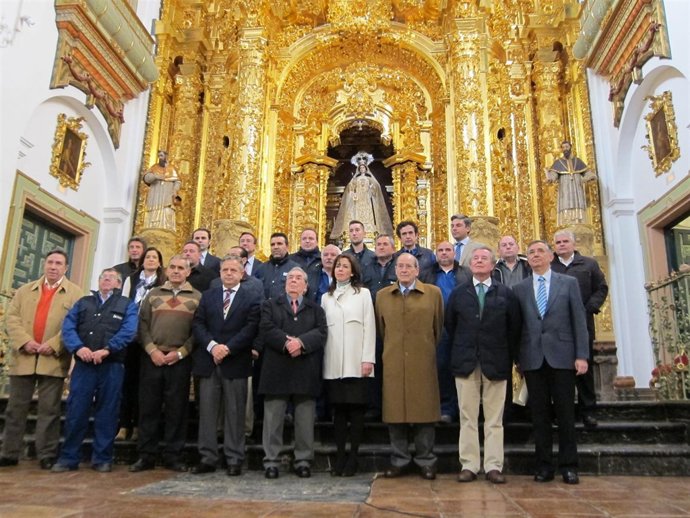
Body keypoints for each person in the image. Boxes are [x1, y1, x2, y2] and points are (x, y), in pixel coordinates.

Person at [512, 240, 589, 485]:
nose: (535, 255)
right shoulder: (520, 288)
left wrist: (581, 355)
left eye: (539, 251)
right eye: (531, 252)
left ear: (550, 256)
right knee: (539, 415)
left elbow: (579, 320)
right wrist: (518, 359)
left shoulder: (568, 283)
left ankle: (569, 465)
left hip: (563, 356)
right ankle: (544, 465)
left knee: (566, 414)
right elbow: (518, 326)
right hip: (533, 358)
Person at [1, 250, 83, 470]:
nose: (53, 267)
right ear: (44, 264)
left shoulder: (75, 294)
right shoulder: (24, 291)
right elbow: (12, 318)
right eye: (50, 262)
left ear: (66, 268)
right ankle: (9, 452)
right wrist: (25, 341)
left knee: (49, 410)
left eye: (58, 263)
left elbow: (74, 324)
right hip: (24, 356)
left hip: (53, 360)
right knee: (15, 408)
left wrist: (55, 344)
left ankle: (46, 453)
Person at [446, 247, 521, 484]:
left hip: (496, 361)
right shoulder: (459, 293)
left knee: (494, 418)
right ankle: (469, 464)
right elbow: (450, 325)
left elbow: (514, 328)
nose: (479, 262)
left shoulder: (505, 294)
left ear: (492, 265)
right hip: (466, 361)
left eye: (483, 259)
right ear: (470, 264)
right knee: (467, 416)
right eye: (475, 258)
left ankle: (493, 466)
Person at [51, 269, 138, 472]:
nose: (106, 279)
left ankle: (103, 458)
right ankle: (68, 457)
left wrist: (108, 349)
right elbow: (68, 327)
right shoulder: (83, 303)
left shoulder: (127, 305)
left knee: (108, 412)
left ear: (118, 283)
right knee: (76, 411)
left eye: (111, 277)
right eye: (102, 277)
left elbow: (129, 330)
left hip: (112, 365)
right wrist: (79, 348)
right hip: (84, 365)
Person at [190, 256, 263, 476]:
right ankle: (208, 457)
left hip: (236, 361)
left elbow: (251, 328)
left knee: (235, 413)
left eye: (233, 270)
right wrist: (213, 347)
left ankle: (234, 458)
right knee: (208, 412)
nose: (229, 273)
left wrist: (228, 348)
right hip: (209, 361)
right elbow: (198, 323)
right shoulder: (208, 296)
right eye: (225, 270)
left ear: (242, 273)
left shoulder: (251, 298)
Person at [129, 255, 201, 473]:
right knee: (148, 408)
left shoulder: (197, 297)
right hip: (153, 358)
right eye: (173, 267)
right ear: (167, 270)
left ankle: (173, 454)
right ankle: (146, 455)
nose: (177, 271)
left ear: (189, 272)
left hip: (179, 361)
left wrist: (180, 353)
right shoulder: (153, 294)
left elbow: (198, 330)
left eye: (181, 268)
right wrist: (152, 350)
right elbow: (142, 325)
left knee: (176, 410)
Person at [375, 253, 444, 480]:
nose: (404, 270)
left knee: (424, 412)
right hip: (393, 360)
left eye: (408, 266)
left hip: (423, 360)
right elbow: (381, 329)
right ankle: (399, 460)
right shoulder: (383, 296)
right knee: (395, 412)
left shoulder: (433, 294)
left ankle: (426, 460)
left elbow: (438, 327)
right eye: (400, 266)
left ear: (417, 270)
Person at [258, 267, 327, 479]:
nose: (294, 281)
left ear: (306, 286)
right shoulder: (270, 305)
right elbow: (266, 328)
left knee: (305, 419)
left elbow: (322, 332)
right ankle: (271, 461)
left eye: (299, 278)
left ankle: (303, 460)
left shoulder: (316, 309)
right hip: (277, 368)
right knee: (273, 419)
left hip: (305, 367)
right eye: (290, 278)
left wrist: (301, 343)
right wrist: (287, 343)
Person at [321, 255, 375, 477]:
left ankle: (354, 457)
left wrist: (368, 358)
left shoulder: (363, 294)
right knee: (339, 412)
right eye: (338, 266)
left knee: (356, 411)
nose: (340, 269)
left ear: (353, 271)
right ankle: (340, 457)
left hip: (356, 361)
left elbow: (369, 327)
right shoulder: (326, 297)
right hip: (333, 362)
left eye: (345, 266)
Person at [551, 230, 608, 428]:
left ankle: (588, 411)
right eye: (558, 242)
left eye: (565, 241)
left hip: (582, 324)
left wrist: (589, 308)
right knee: (560, 373)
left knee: (585, 370)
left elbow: (601, 288)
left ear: (573, 244)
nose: (561, 245)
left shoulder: (589, 264)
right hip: (557, 327)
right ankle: (563, 412)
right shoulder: (550, 266)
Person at [116, 247, 166, 442]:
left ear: (160, 262)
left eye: (155, 257)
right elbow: (124, 303)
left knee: (145, 385)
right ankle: (123, 424)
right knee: (127, 382)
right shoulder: (132, 279)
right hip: (131, 337)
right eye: (148, 257)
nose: (151, 260)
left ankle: (138, 424)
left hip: (151, 337)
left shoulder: (162, 283)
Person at [419, 241, 471, 423]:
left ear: (454, 253)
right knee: (439, 368)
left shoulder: (465, 273)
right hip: (436, 327)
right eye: (440, 250)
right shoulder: (427, 273)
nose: (444, 253)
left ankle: (459, 408)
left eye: (447, 250)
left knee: (459, 369)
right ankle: (442, 408)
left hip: (460, 327)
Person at [361, 234, 398, 420]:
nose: (381, 247)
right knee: (373, 365)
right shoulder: (367, 267)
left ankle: (393, 405)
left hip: (394, 323)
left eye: (385, 244)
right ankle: (374, 406)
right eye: (378, 244)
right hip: (372, 323)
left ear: (393, 247)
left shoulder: (400, 266)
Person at [330, 152, 393, 240]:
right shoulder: (355, 179)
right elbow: (350, 189)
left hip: (367, 199)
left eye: (363, 167)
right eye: (361, 167)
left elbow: (375, 189)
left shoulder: (370, 179)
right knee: (356, 214)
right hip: (358, 200)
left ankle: (368, 230)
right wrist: (353, 194)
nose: (362, 169)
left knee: (368, 214)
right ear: (359, 169)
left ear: (366, 168)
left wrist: (371, 188)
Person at [545, 140, 596, 225]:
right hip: (564, 188)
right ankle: (566, 222)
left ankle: (579, 221)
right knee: (565, 202)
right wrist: (549, 176)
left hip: (577, 186)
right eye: (563, 147)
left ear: (570, 147)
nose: (565, 149)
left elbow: (587, 172)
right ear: (561, 149)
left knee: (577, 202)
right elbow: (553, 175)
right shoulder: (558, 163)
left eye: (567, 147)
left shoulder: (578, 161)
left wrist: (589, 177)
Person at [143, 150, 181, 231]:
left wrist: (175, 190)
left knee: (167, 211)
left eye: (161, 156)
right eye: (159, 156)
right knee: (153, 212)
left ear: (166, 157)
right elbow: (146, 178)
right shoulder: (154, 167)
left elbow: (177, 181)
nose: (160, 158)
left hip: (167, 195)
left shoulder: (172, 168)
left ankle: (166, 230)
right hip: (155, 195)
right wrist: (155, 176)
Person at [254, 232, 299, 300]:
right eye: (272, 244)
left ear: (287, 247)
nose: (275, 247)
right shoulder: (261, 268)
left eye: (279, 244)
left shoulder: (295, 268)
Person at [289, 228, 323, 301]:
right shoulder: (290, 259)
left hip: (317, 303)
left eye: (311, 238)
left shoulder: (323, 260)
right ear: (300, 242)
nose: (307, 241)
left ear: (317, 241)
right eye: (304, 239)